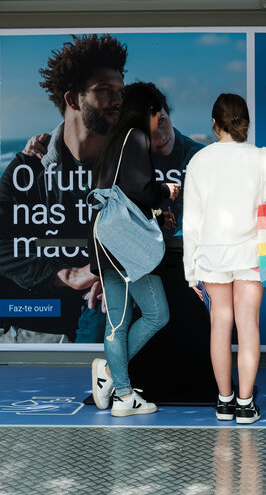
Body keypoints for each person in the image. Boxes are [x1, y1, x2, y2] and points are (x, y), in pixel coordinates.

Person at [0, 34, 126, 343]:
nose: (117, 99)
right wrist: (69, 275)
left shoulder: (130, 159)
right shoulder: (31, 165)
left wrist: (111, 272)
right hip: (41, 325)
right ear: (72, 99)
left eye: (120, 91)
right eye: (104, 90)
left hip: (109, 318)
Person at [182, 93, 266, 424]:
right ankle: (246, 404)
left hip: (211, 257)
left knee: (220, 326)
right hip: (251, 256)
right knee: (248, 327)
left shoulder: (200, 160)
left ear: (214, 125)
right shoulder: (261, 158)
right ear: (246, 123)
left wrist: (190, 273)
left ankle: (224, 402)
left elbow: (192, 223)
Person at [89, 83, 180, 417]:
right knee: (157, 314)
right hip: (126, 245)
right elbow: (140, 188)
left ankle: (123, 396)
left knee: (117, 322)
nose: (158, 125)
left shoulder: (112, 141)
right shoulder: (137, 138)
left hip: (105, 239)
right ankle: (113, 375)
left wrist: (154, 209)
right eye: (158, 116)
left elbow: (118, 193)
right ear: (150, 111)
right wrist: (165, 192)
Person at [23, 81, 205, 238]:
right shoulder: (125, 155)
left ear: (168, 113)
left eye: (162, 121)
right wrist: (46, 147)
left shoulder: (199, 159)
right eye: (148, 132)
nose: (160, 137)